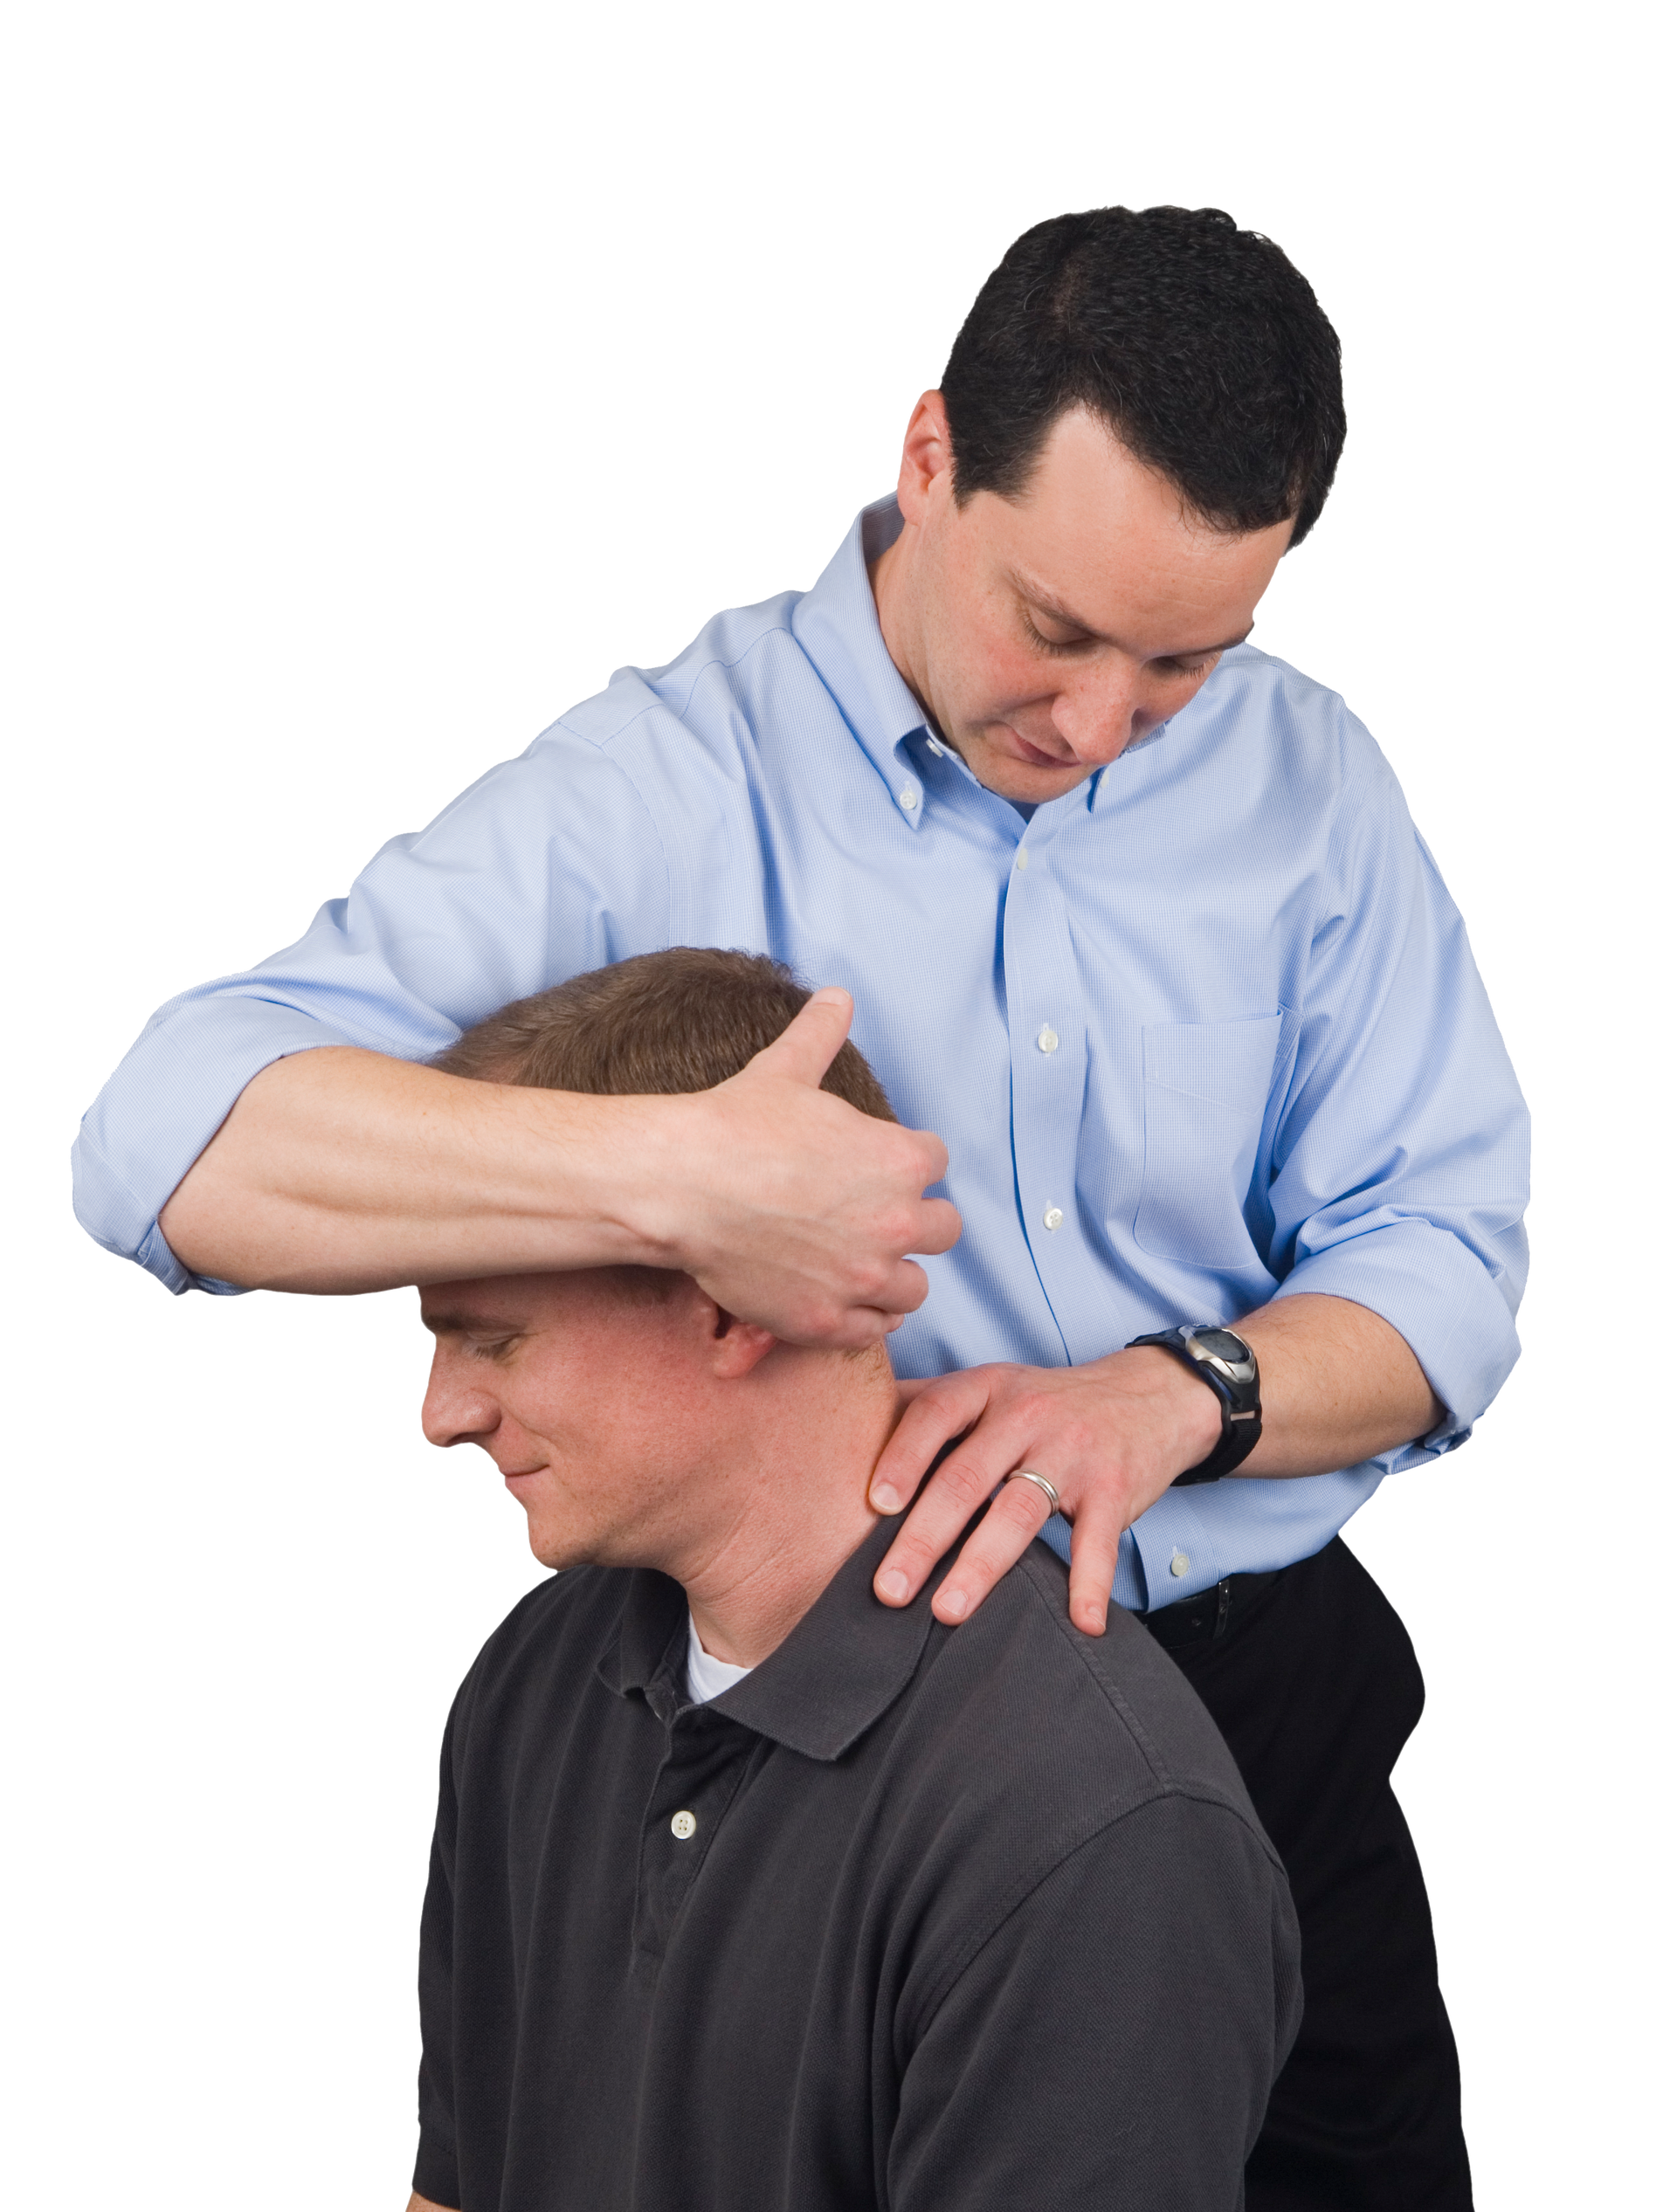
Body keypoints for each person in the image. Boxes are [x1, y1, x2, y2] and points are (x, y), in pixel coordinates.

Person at [72, 203, 1528, 2204]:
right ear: (928, 458)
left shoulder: (1313, 784)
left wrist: (1170, 1396)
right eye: (1055, 630)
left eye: (1185, 661)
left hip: (1270, 1709)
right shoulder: (661, 788)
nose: (1100, 727)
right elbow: (160, 1144)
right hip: (840, 1735)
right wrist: (674, 1179)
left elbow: (1448, 1260)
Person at [402, 947, 1301, 2212]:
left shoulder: (1093, 1831)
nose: (442, 1413)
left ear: (736, 1309)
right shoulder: (537, 1677)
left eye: (494, 1340)